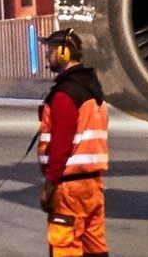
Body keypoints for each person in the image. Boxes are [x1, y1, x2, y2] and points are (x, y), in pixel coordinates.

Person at [38, 29, 110, 257]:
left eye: (50, 51)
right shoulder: (92, 90)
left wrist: (50, 184)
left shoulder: (65, 95)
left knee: (65, 247)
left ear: (63, 53)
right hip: (93, 186)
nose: (47, 56)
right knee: (94, 248)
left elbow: (61, 146)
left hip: (69, 188)